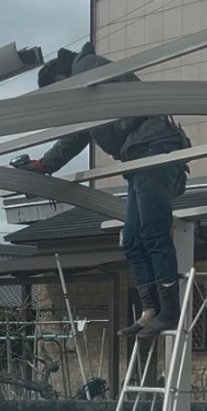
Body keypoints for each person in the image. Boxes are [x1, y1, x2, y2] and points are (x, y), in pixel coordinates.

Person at [17, 43, 190, 336]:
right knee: (132, 239)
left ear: (61, 80)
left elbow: (80, 132)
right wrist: (44, 165)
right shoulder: (89, 75)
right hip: (138, 156)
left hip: (154, 148)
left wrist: (45, 164)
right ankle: (151, 309)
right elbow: (83, 131)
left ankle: (170, 311)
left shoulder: (87, 70)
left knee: (153, 232)